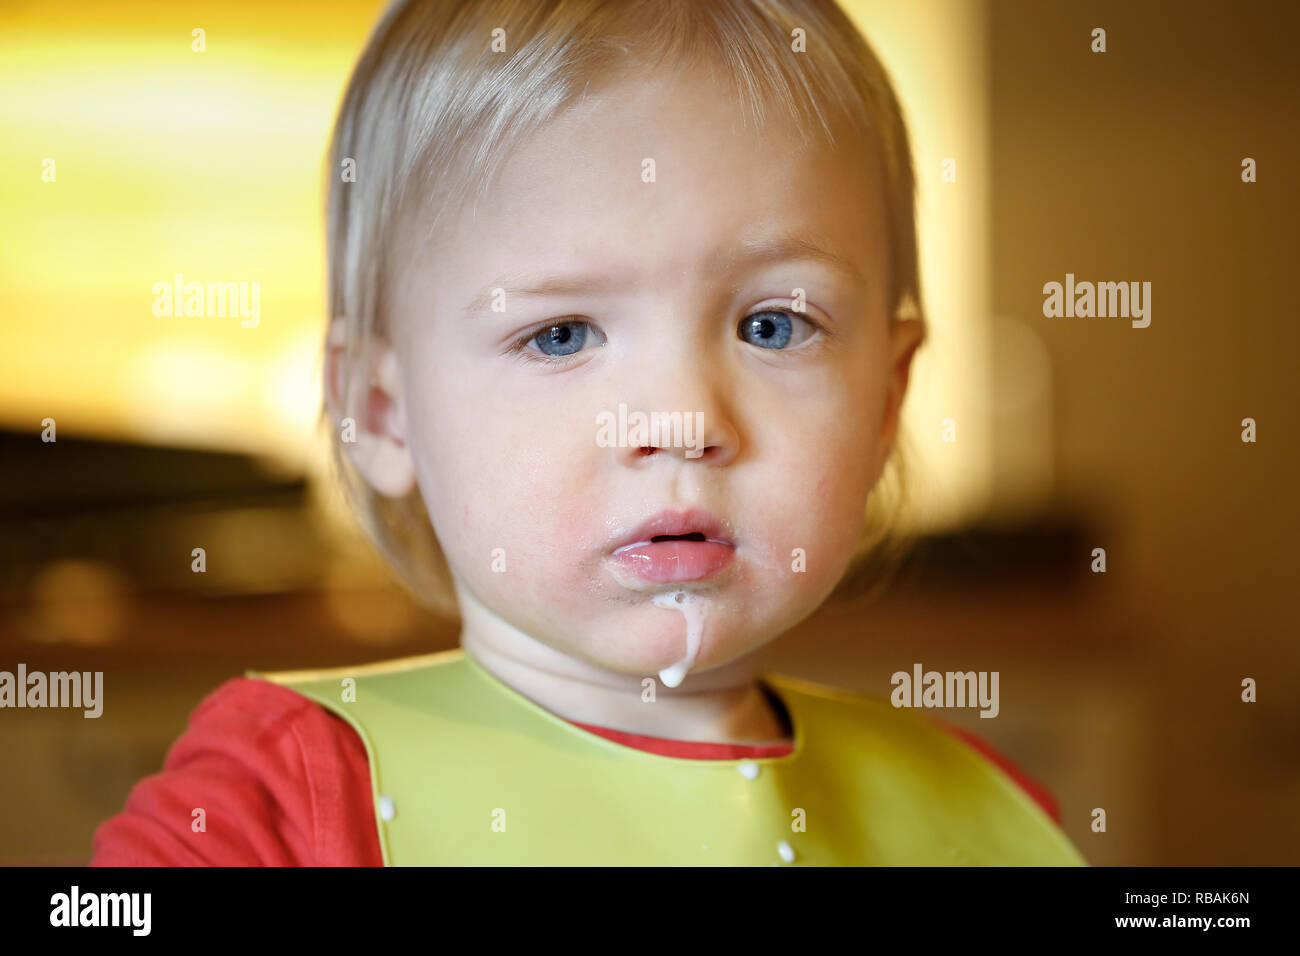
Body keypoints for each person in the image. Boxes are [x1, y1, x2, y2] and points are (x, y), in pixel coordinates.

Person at [92, 0, 1085, 866]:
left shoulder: (981, 811)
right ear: (381, 411)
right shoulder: (277, 806)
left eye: (772, 325)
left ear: (885, 401)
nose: (680, 422)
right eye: (560, 334)